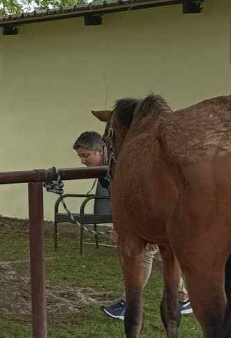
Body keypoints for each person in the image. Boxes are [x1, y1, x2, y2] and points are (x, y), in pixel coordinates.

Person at [71, 130, 193, 322]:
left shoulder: (123, 164)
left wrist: (151, 229)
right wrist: (118, 226)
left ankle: (129, 303)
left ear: (101, 150)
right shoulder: (108, 168)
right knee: (160, 255)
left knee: (145, 254)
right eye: (80, 156)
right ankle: (183, 298)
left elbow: (145, 195)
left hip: (154, 214)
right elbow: (118, 199)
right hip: (142, 214)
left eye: (86, 156)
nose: (82, 161)